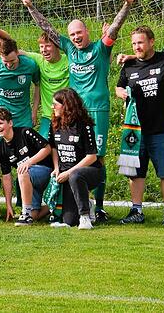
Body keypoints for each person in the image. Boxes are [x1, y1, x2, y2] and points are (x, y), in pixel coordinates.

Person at [21, 0, 135, 223]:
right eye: (72, 34)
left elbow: (114, 28)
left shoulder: (101, 49)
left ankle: (100, 208)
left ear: (87, 32)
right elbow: (49, 28)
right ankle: (77, 203)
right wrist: (30, 6)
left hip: (97, 111)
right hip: (73, 113)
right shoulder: (69, 49)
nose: (75, 37)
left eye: (79, 33)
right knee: (70, 157)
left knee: (97, 158)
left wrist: (126, 4)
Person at [115, 26, 164, 226]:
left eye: (140, 42)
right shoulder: (129, 66)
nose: (137, 46)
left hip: (161, 128)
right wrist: (120, 93)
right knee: (135, 172)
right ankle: (136, 210)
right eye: (134, 43)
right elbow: (118, 86)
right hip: (135, 130)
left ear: (152, 41)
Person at [0, 36, 39, 211]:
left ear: (18, 55)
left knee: (24, 161)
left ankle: (23, 203)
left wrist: (34, 110)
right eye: (5, 61)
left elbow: (37, 85)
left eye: (12, 61)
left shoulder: (30, 65)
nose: (8, 65)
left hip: (21, 117)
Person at [48, 88, 102, 230]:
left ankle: (85, 217)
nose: (52, 107)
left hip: (89, 172)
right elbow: (53, 148)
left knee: (75, 175)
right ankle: (87, 203)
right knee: (69, 220)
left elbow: (92, 157)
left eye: (55, 104)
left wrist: (68, 172)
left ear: (66, 105)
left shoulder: (84, 125)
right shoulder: (54, 124)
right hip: (66, 174)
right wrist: (57, 168)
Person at [0, 108, 53, 226]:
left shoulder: (25, 132)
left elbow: (47, 148)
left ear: (10, 123)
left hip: (45, 171)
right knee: (35, 215)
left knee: (22, 172)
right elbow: (6, 177)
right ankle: (56, 204)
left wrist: (29, 162)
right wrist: (9, 205)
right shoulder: (1, 147)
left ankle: (25, 213)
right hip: (29, 181)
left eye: (0, 123)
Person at [22, 32, 69, 138]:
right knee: (43, 146)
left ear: (57, 46)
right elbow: (15, 51)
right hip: (49, 116)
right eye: (41, 46)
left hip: (68, 115)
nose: (44, 50)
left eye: (48, 46)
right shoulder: (40, 60)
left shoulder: (68, 60)